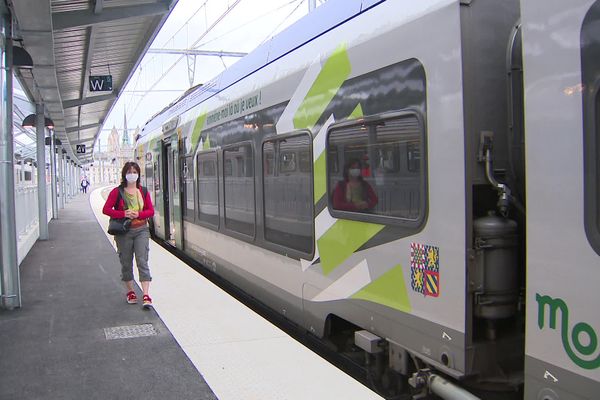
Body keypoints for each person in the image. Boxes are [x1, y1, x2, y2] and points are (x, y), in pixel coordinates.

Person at [102, 161, 155, 308]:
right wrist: (123, 213)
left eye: (134, 171)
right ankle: (131, 291)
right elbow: (106, 209)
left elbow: (150, 211)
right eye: (129, 172)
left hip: (141, 230)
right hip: (124, 231)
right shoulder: (117, 192)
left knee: (142, 260)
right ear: (125, 174)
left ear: (138, 174)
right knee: (126, 262)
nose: (132, 174)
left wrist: (138, 213)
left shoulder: (143, 191)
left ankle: (146, 294)